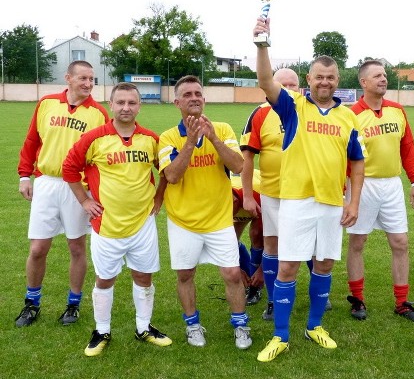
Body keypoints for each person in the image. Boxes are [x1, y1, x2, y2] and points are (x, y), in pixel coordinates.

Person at [253, 18, 365, 362]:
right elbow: (264, 81)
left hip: (332, 203)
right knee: (287, 268)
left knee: (325, 265)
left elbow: (357, 162)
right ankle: (280, 335)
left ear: (337, 81)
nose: (325, 82)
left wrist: (353, 201)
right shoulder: (293, 107)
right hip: (297, 202)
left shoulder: (348, 117)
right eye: (319, 76)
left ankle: (314, 326)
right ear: (310, 79)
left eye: (331, 77)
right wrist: (262, 45)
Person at [62, 82, 172, 356]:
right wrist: (85, 200)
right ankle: (101, 330)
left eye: (131, 103)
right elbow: (69, 168)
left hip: (142, 224)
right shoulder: (95, 138)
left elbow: (167, 171)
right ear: (111, 105)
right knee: (105, 279)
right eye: (120, 102)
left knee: (143, 276)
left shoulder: (151, 139)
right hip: (107, 225)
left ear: (139, 105)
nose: (126, 107)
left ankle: (144, 327)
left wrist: (159, 196)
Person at [159, 75, 251, 350]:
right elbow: (172, 177)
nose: (194, 98)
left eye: (198, 93)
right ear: (177, 103)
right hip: (183, 221)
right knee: (185, 275)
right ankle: (192, 325)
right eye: (187, 94)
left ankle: (240, 324)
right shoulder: (168, 137)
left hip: (219, 219)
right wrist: (190, 142)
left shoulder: (221, 129)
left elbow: (238, 166)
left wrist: (212, 138)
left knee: (233, 274)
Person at [15, 60, 109, 327]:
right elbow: (32, 140)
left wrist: (95, 192)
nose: (89, 84)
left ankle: (73, 305)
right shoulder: (46, 103)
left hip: (77, 187)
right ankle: (31, 303)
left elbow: (99, 157)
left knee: (76, 247)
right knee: (37, 248)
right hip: (46, 183)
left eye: (92, 79)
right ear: (68, 78)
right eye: (83, 78)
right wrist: (25, 175)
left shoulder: (98, 113)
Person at [240, 67, 331, 322]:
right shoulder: (259, 114)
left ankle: (319, 294)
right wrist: (248, 195)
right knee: (273, 245)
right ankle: (272, 299)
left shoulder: (311, 111)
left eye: (293, 85)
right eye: (284, 85)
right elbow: (247, 157)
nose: (289, 89)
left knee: (315, 245)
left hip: (308, 192)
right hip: (274, 193)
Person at [345, 60, 414, 322]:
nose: (383, 79)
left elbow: (408, 147)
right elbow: (343, 155)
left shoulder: (398, 111)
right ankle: (357, 300)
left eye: (384, 75)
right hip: (362, 184)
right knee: (358, 242)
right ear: (363, 83)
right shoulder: (351, 114)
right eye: (377, 75)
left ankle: (402, 302)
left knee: (400, 242)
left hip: (391, 184)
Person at [231, 171, 265, 303]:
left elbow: (275, 243)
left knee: (257, 236)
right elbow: (218, 243)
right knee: (230, 239)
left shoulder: (258, 194)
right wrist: (235, 269)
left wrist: (261, 270)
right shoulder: (215, 200)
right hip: (236, 198)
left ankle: (255, 286)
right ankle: (247, 277)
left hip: (257, 198)